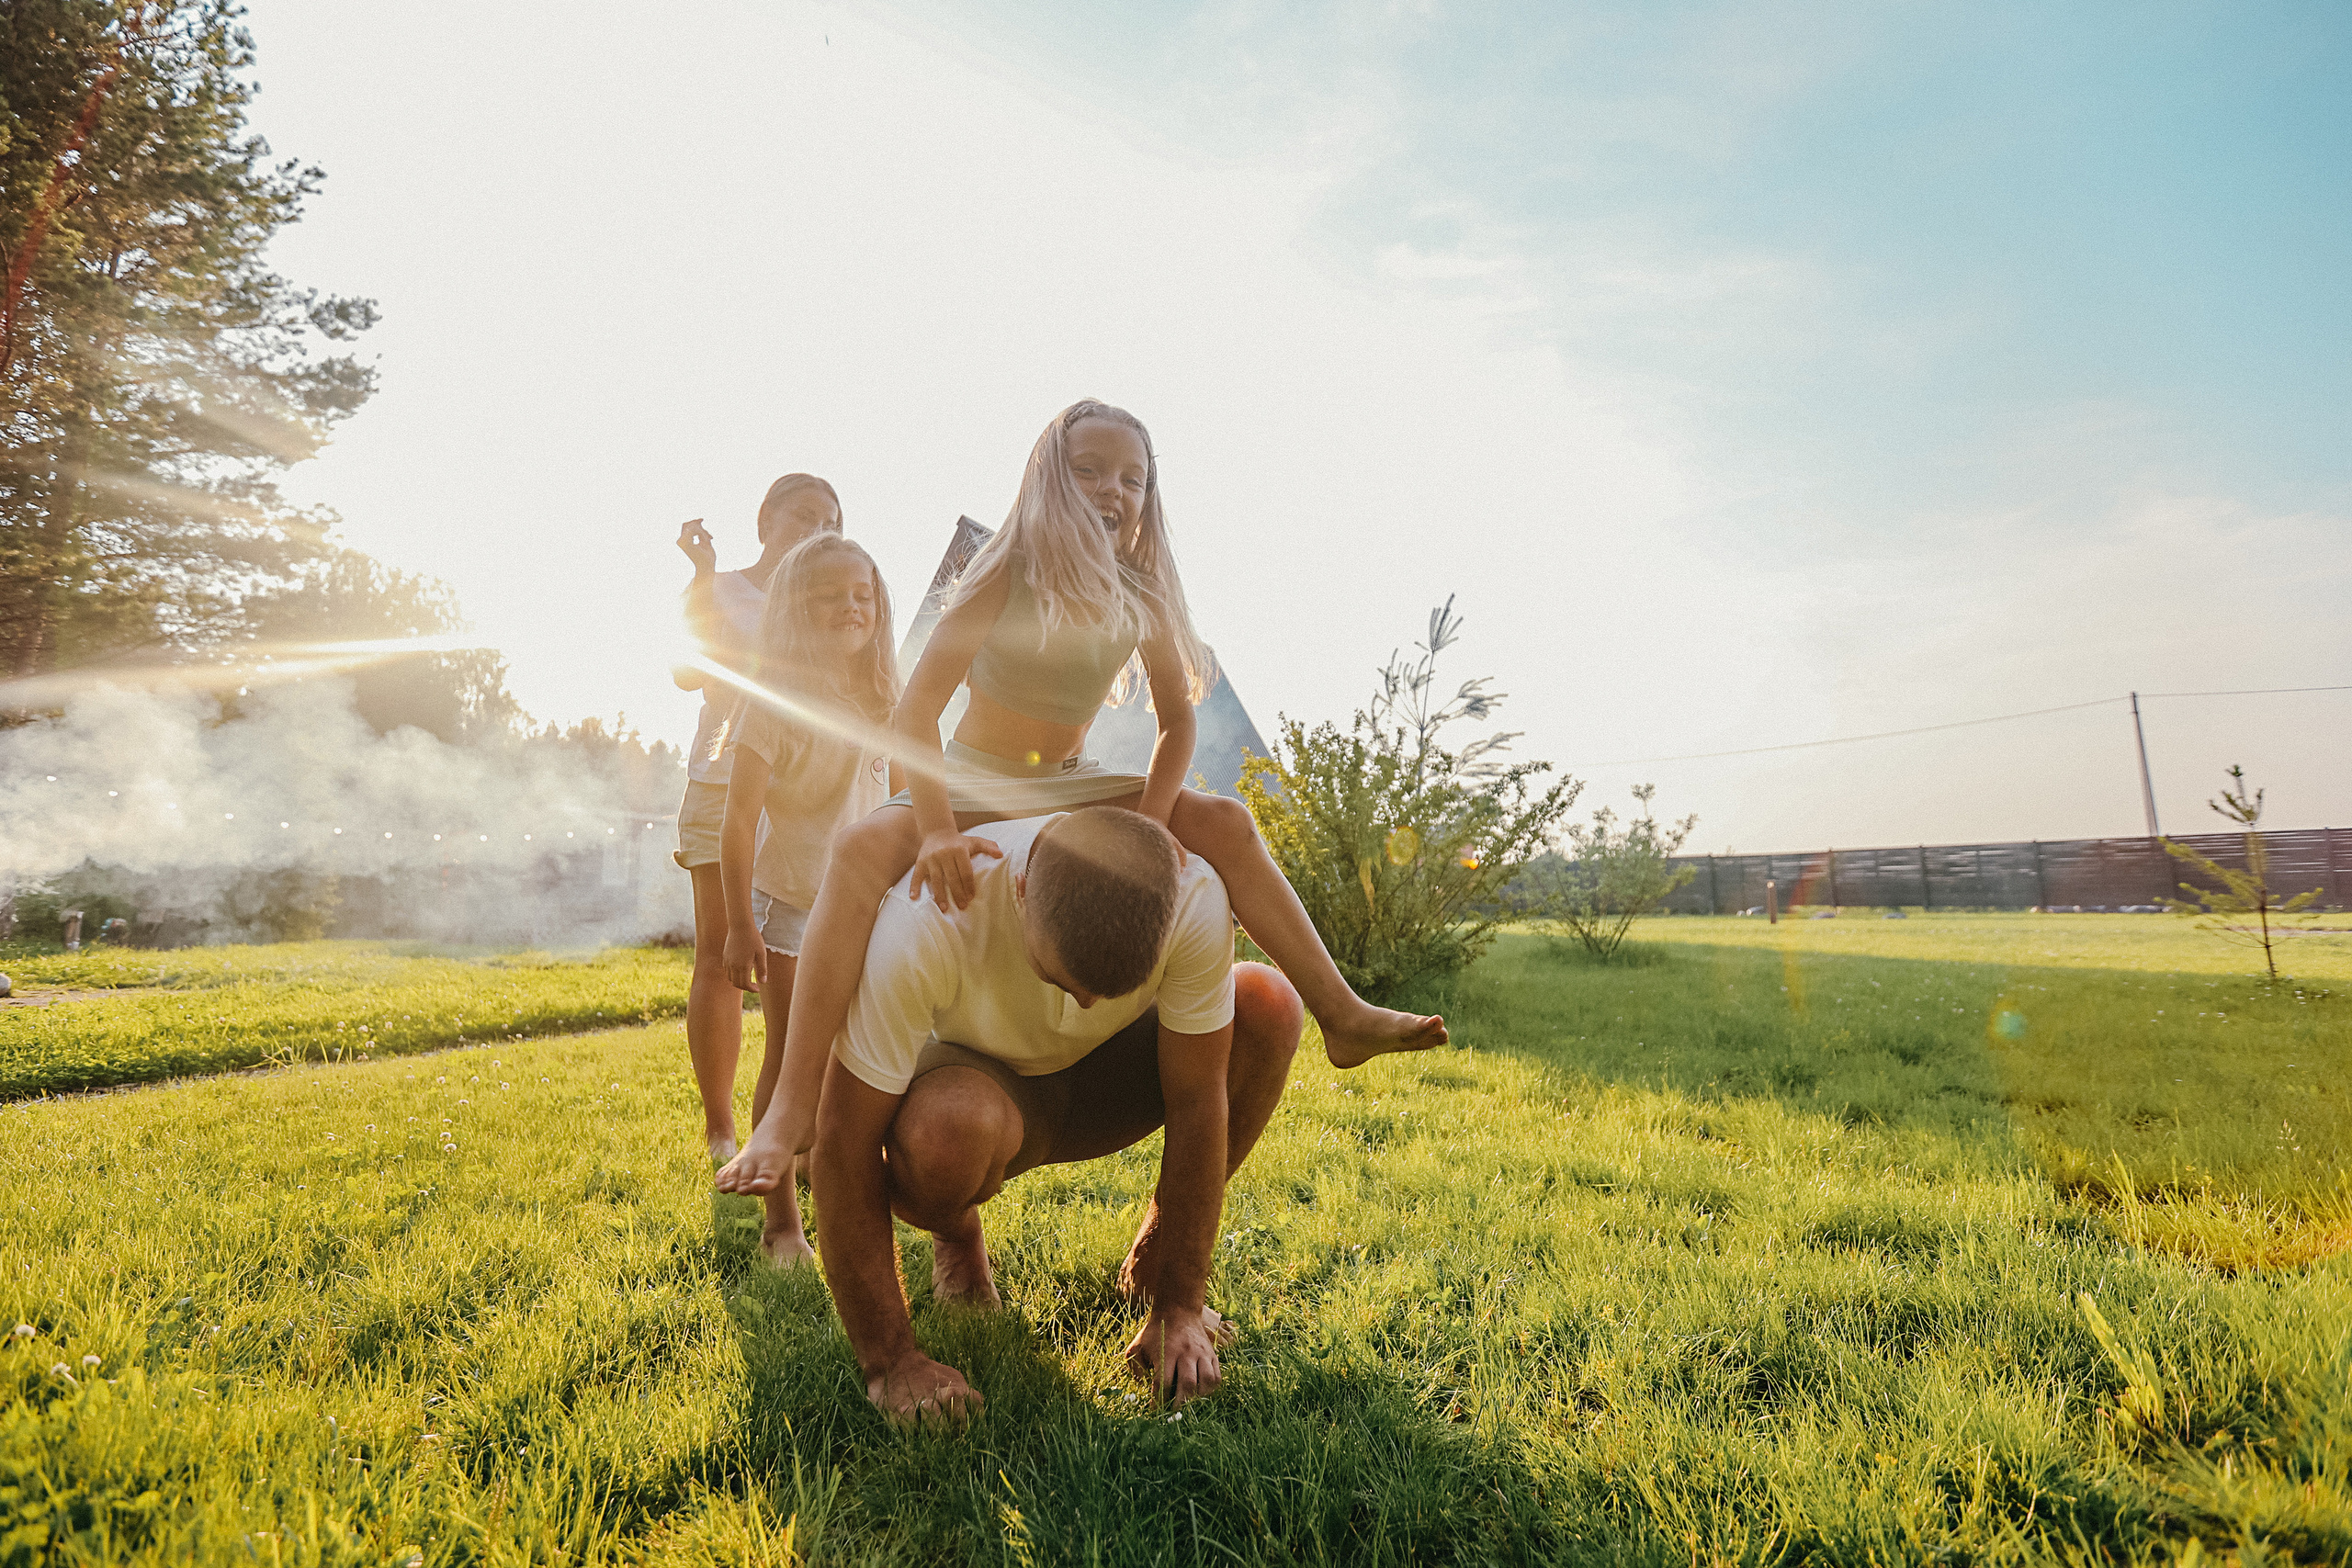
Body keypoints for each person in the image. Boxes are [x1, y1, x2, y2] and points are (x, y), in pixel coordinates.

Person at [717, 400, 1442, 1198]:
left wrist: (1153, 826)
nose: (1113, 490)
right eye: (1089, 470)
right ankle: (788, 1111)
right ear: (1049, 481)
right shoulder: (1003, 571)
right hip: (970, 779)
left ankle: (1338, 1010)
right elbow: (916, 712)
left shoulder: (1143, 592)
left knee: (1227, 821)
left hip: (1069, 781)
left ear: (1148, 496)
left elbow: (1177, 725)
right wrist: (930, 830)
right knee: (858, 852)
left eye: (1133, 478)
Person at [809, 807, 1304, 1423]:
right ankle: (957, 1237)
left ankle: (1150, 1268)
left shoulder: (1193, 894)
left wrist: (1181, 1304)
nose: (1089, 1002)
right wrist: (890, 1362)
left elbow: (1200, 1101)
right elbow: (840, 1140)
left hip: (1106, 1083)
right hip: (990, 1093)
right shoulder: (926, 919)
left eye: (1110, 986)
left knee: (1267, 1003)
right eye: (1068, 980)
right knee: (946, 1134)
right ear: (1020, 890)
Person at [714, 533, 901, 1267]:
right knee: (792, 1057)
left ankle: (848, 1192)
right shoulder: (772, 706)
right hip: (791, 905)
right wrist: (737, 925)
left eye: (863, 596)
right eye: (830, 596)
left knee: (858, 1055)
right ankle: (781, 1224)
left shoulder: (884, 696)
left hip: (868, 903)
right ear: (795, 609)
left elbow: (899, 794)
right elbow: (736, 820)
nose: (850, 608)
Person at [671, 474, 842, 1161]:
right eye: (805, 514)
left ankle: (789, 1135)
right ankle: (720, 1132)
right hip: (722, 782)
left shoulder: (832, 603)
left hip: (803, 797)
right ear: (766, 517)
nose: (817, 528)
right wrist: (703, 576)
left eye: (831, 521)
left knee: (795, 970)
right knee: (720, 951)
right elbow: (686, 672)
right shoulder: (723, 588)